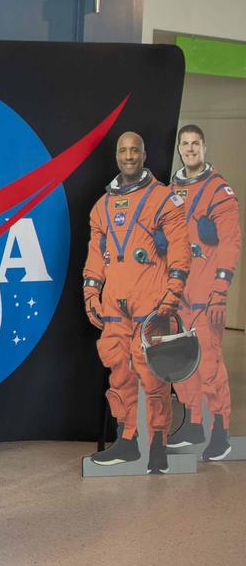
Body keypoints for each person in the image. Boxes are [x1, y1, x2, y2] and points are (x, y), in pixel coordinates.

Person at [83, 131, 191, 473]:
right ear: (117, 156)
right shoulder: (102, 207)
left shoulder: (164, 200)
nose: (128, 156)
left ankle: (157, 444)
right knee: (119, 373)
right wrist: (90, 290)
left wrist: (172, 295)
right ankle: (127, 441)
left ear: (144, 155)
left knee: (153, 375)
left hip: (152, 301)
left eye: (135, 150)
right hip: (115, 302)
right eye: (123, 150)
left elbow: (179, 250)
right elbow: (96, 254)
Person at [167, 124, 240, 460]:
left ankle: (221, 434)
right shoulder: (173, 189)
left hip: (206, 293)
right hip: (179, 292)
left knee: (208, 363)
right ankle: (195, 423)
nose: (190, 149)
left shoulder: (218, 190)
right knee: (183, 364)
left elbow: (231, 243)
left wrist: (220, 290)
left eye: (196, 144)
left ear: (204, 148)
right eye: (185, 144)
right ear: (180, 149)